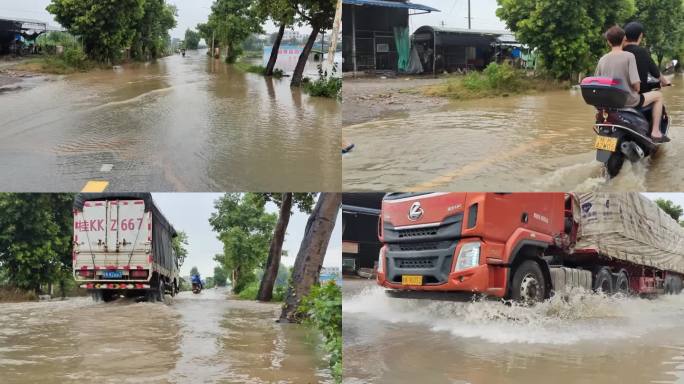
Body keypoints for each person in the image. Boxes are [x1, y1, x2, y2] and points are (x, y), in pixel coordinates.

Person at [595, 25, 667, 142]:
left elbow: (598, 82)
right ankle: (656, 131)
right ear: (624, 39)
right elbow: (636, 85)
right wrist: (636, 88)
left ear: (608, 42)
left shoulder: (602, 59)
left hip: (609, 103)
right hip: (629, 101)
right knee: (658, 96)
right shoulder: (629, 56)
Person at [622, 22, 671, 92]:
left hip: (621, 93)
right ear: (640, 36)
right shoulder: (642, 52)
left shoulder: (620, 51)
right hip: (639, 93)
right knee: (658, 95)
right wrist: (665, 82)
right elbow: (656, 73)